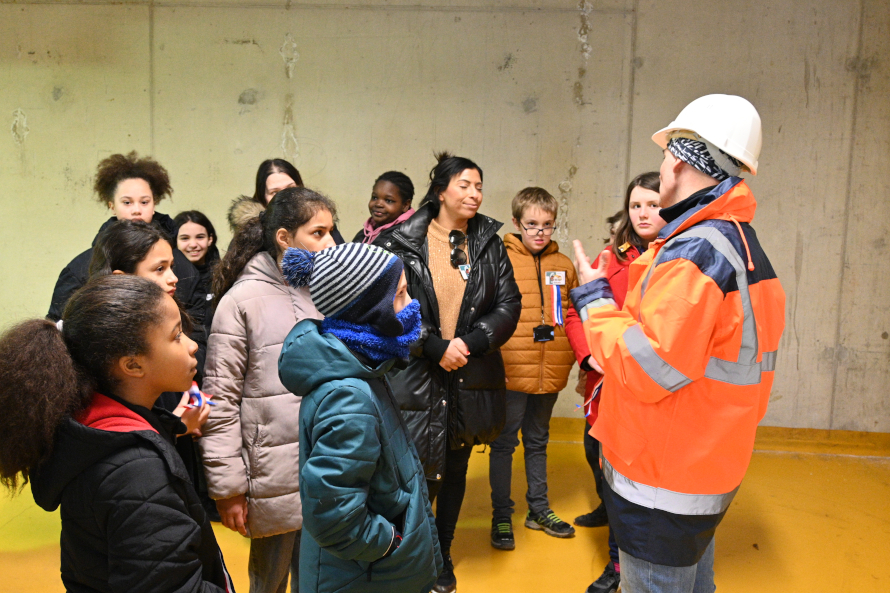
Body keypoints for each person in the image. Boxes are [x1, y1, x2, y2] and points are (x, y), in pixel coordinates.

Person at [571, 94, 785, 593]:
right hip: (702, 466)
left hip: (662, 480)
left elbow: (647, 367)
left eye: (666, 156)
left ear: (684, 162)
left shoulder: (695, 253)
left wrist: (595, 299)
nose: (661, 168)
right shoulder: (737, 245)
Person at [0, 275, 234, 593]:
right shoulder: (137, 473)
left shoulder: (92, 428)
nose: (193, 346)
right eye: (176, 336)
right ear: (133, 365)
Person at [386, 152, 521, 593]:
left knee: (456, 466)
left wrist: (472, 341)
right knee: (416, 471)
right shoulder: (401, 242)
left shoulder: (488, 241)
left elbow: (508, 304)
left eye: (479, 186)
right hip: (418, 374)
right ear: (441, 189)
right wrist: (434, 345)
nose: (475, 193)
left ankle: (442, 554)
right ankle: (411, 556)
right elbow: (389, 306)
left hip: (468, 371)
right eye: (465, 184)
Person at [277, 242, 442, 593]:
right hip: (363, 577)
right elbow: (334, 517)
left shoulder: (365, 366)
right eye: (399, 295)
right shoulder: (348, 395)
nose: (411, 304)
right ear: (371, 310)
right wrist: (389, 544)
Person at [200, 187, 338, 593]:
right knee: (270, 581)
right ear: (284, 237)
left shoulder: (325, 291)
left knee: (319, 577)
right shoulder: (241, 301)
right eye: (318, 233)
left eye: (331, 231)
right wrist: (228, 489)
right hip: (271, 474)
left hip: (325, 463)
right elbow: (220, 399)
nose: (330, 242)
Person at [565, 172, 665, 593]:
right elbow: (576, 313)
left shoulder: (677, 256)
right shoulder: (612, 255)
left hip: (646, 390)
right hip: (603, 385)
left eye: (653, 205)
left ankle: (618, 566)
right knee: (595, 452)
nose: (643, 213)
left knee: (626, 479)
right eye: (636, 205)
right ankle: (607, 507)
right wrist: (589, 355)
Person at [89, 218, 218, 519]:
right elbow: (127, 434)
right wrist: (176, 425)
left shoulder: (167, 310)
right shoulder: (110, 343)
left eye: (171, 266)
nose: (173, 278)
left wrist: (194, 398)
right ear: (123, 278)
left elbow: (186, 378)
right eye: (160, 269)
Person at [46, 152, 208, 364]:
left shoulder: (183, 266)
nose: (137, 211)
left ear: (155, 202)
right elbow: (61, 339)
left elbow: (199, 335)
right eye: (127, 202)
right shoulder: (80, 269)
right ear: (111, 204)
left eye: (144, 202)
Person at [488, 187, 582, 550]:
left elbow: (571, 314)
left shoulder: (564, 266)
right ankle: (501, 515)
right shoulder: (501, 259)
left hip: (550, 371)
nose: (539, 232)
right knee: (504, 443)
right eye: (531, 225)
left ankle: (538, 510)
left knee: (539, 441)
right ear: (516, 223)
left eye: (547, 225)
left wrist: (572, 358)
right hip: (511, 370)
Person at [227, 158, 344, 243]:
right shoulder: (249, 234)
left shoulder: (322, 224)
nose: (285, 197)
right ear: (263, 199)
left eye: (291, 188)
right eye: (275, 192)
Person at [175, 210, 222, 337]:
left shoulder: (225, 275)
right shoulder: (169, 279)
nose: (193, 245)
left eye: (200, 237)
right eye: (185, 238)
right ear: (175, 241)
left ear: (210, 239)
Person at [352, 171, 415, 245]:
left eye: (388, 200)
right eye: (374, 198)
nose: (378, 204)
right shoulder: (364, 234)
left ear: (405, 205)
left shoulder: (405, 237)